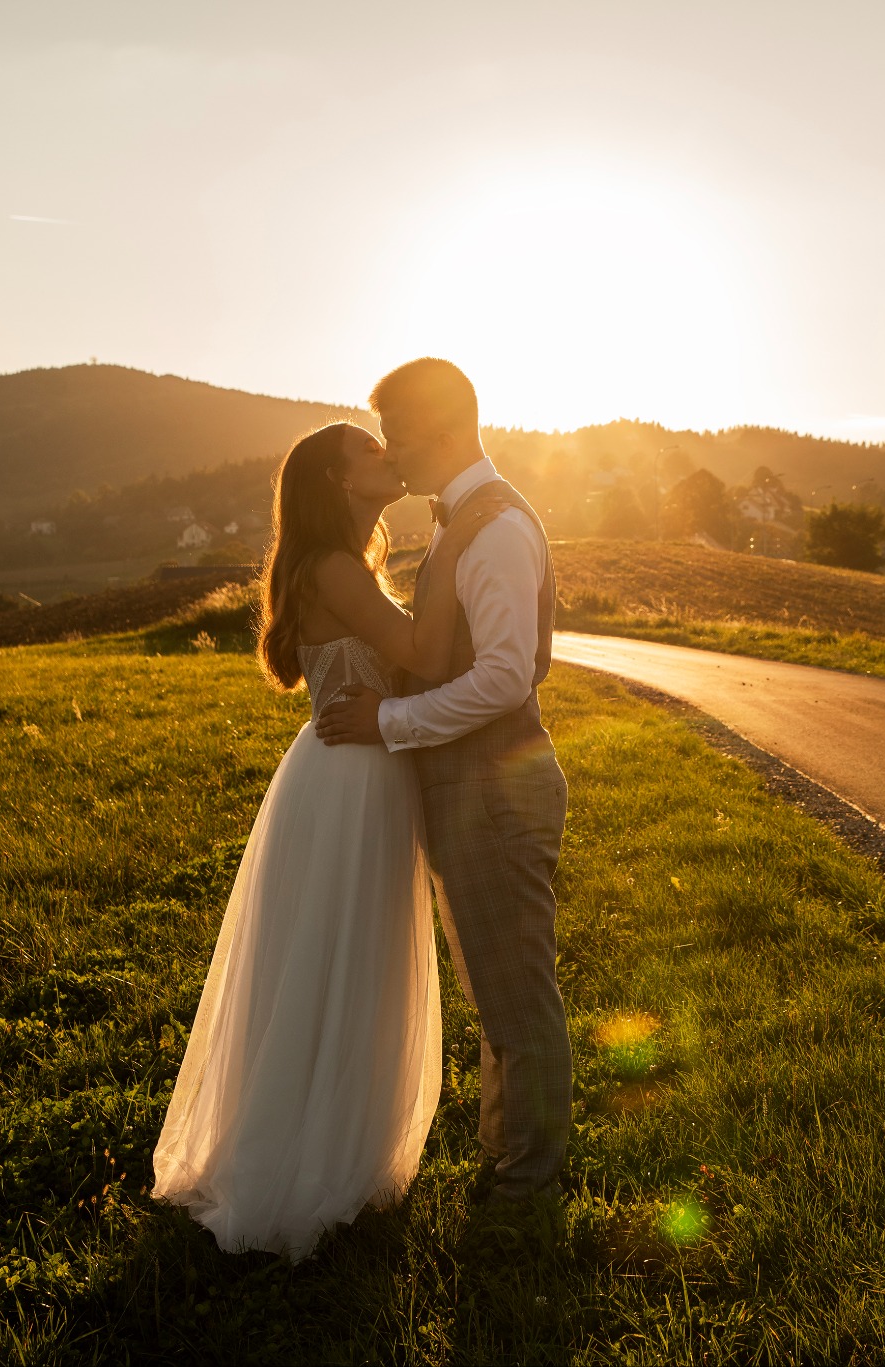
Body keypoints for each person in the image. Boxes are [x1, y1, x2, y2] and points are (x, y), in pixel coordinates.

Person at [151, 420, 500, 1257]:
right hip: (351, 779)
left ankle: (331, 1132)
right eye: (371, 452)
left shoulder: (345, 564)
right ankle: (305, 1160)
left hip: (350, 769)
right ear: (339, 483)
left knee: (343, 953)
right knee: (342, 955)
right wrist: (451, 551)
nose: (389, 455)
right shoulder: (336, 569)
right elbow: (421, 648)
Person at [315, 357, 571, 1209]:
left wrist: (388, 724)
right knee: (496, 988)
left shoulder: (493, 526)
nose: (390, 447)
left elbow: (504, 677)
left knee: (515, 991)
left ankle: (527, 1182)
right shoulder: (466, 517)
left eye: (396, 429)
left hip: (493, 794)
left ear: (443, 427)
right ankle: (510, 1158)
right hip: (473, 792)